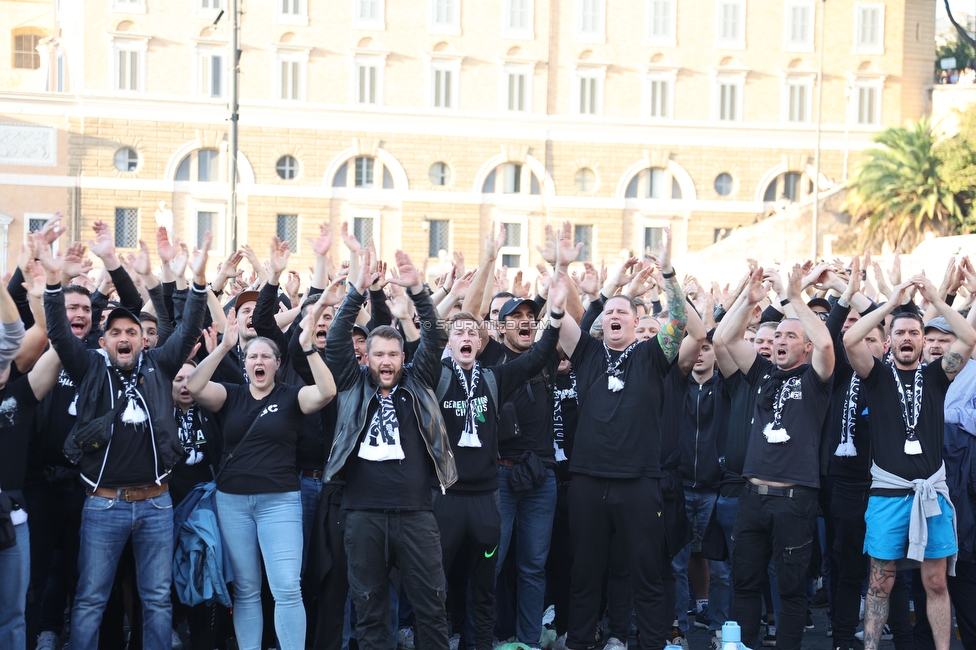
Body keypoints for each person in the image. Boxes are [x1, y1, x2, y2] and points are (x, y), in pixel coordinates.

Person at [42, 232, 211, 650]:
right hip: (103, 502)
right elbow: (62, 336)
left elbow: (189, 328)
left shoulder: (160, 364)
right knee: (89, 600)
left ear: (141, 340)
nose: (124, 337)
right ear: (104, 341)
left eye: (131, 332)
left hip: (156, 503)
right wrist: (51, 283)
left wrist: (200, 280)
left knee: (156, 600)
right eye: (115, 331)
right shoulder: (90, 369)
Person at [553, 226, 689, 650]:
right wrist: (560, 266)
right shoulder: (589, 353)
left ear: (635, 320)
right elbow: (558, 322)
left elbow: (681, 322)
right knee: (584, 574)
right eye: (608, 312)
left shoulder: (652, 356)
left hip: (639, 483)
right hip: (589, 482)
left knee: (646, 573)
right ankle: (579, 642)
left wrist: (667, 272)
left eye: (622, 312)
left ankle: (649, 643)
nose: (614, 316)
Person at [187, 298, 337, 650]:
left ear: (277, 364)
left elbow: (328, 392)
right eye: (252, 356)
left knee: (286, 586)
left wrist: (310, 350)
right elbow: (194, 387)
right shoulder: (232, 395)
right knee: (246, 587)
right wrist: (224, 346)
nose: (259, 361)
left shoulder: (291, 397)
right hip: (233, 502)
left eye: (266, 357)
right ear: (245, 364)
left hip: (279, 501)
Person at [323, 249, 455, 650]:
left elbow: (435, 334)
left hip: (416, 514)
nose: (385, 361)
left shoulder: (419, 381)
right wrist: (355, 291)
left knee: (432, 608)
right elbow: (334, 340)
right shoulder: (352, 382)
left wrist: (417, 290)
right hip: (363, 514)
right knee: (370, 611)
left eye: (392, 355)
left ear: (403, 358)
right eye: (377, 354)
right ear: (368, 358)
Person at [844, 275, 976, 650]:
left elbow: (967, 338)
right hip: (887, 498)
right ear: (889, 341)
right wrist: (889, 305)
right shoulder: (876, 376)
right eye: (899, 332)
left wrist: (935, 297)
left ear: (922, 340)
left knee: (935, 582)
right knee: (880, 583)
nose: (906, 338)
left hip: (931, 497)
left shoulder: (937, 376)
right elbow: (851, 340)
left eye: (913, 333)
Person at [721, 265, 834, 650]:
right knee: (745, 583)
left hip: (794, 501)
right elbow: (724, 337)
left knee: (790, 589)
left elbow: (827, 345)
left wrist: (793, 297)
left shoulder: (817, 378)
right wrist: (748, 300)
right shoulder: (762, 373)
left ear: (804, 347)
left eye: (790, 336)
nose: (780, 340)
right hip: (752, 497)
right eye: (777, 335)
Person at [435, 309, 560, 650]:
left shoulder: (493, 378)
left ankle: (495, 644)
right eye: (457, 333)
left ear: (480, 341)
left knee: (502, 577)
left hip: (490, 495)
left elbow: (535, 358)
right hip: (448, 496)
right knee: (442, 577)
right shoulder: (438, 375)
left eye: (471, 333)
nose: (465, 337)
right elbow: (423, 343)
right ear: (449, 342)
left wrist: (558, 313)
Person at [0, 274, 63, 650]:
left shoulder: (20, 397)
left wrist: (46, 295)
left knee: (14, 613)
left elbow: (56, 343)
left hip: (14, 519)